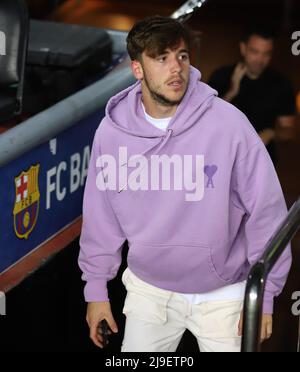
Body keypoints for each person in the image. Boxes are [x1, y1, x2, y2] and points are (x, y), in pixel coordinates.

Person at [78, 16, 292, 352]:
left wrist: (265, 295)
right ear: (137, 69)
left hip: (224, 292)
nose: (175, 68)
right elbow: (100, 218)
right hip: (150, 291)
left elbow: (266, 211)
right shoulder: (112, 133)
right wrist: (96, 291)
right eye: (161, 58)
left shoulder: (228, 124)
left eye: (181, 56)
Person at [208, 25, 296, 163]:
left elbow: (288, 129)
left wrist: (272, 133)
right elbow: (206, 119)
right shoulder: (221, 76)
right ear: (243, 48)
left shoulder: (281, 84)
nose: (260, 60)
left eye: (266, 54)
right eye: (255, 52)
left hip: (262, 160)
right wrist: (232, 92)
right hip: (222, 157)